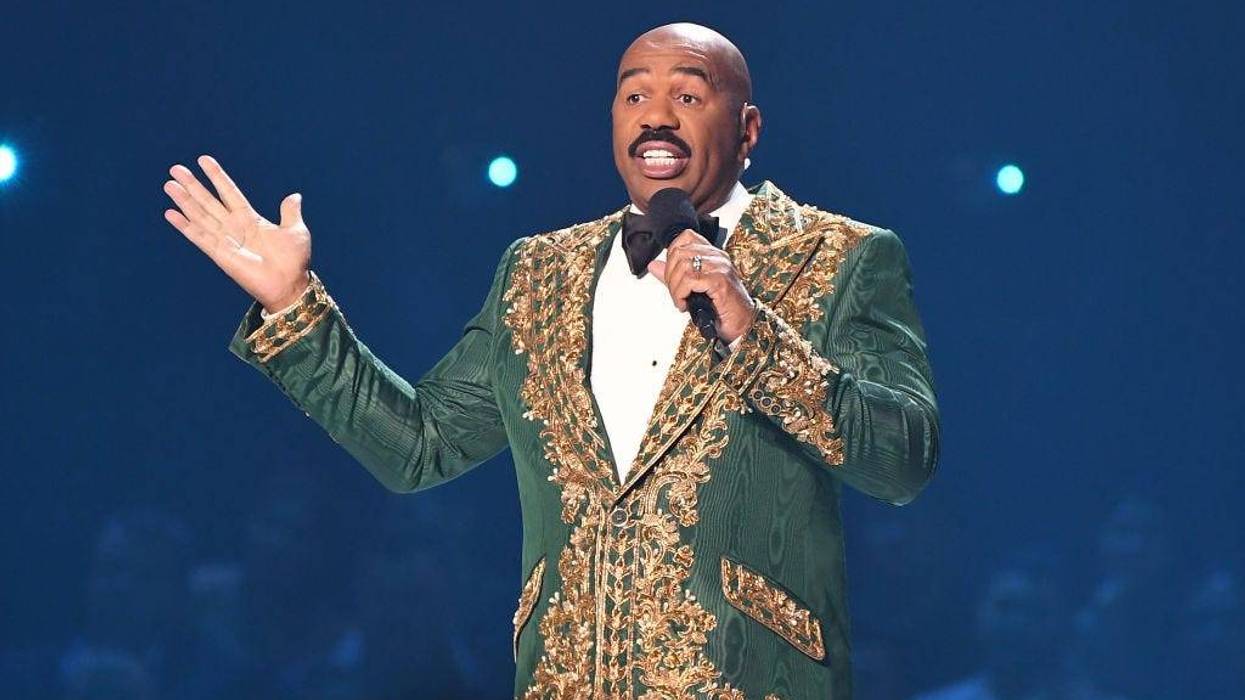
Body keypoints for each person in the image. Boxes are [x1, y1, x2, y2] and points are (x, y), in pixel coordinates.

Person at [161, 21, 939, 699]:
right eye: (633, 96)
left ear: (748, 129)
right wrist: (295, 307)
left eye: (689, 96)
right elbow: (419, 447)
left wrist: (752, 333)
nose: (656, 118)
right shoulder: (538, 273)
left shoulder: (838, 257)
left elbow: (902, 460)